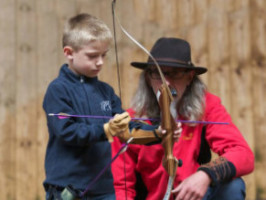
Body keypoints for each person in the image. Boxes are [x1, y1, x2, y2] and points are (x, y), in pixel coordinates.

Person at [111, 37, 254, 200]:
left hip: (194, 196)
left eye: (175, 73)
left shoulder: (207, 106)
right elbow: (121, 187)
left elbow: (243, 154)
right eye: (157, 73)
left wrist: (205, 174)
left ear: (190, 76)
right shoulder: (130, 121)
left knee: (233, 186)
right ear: (147, 77)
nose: (166, 82)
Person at [42, 13, 161, 200]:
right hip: (66, 187)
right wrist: (105, 129)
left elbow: (126, 127)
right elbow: (67, 131)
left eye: (103, 55)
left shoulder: (105, 91)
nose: (100, 62)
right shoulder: (58, 90)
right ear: (69, 53)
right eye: (92, 56)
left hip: (103, 187)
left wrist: (159, 132)